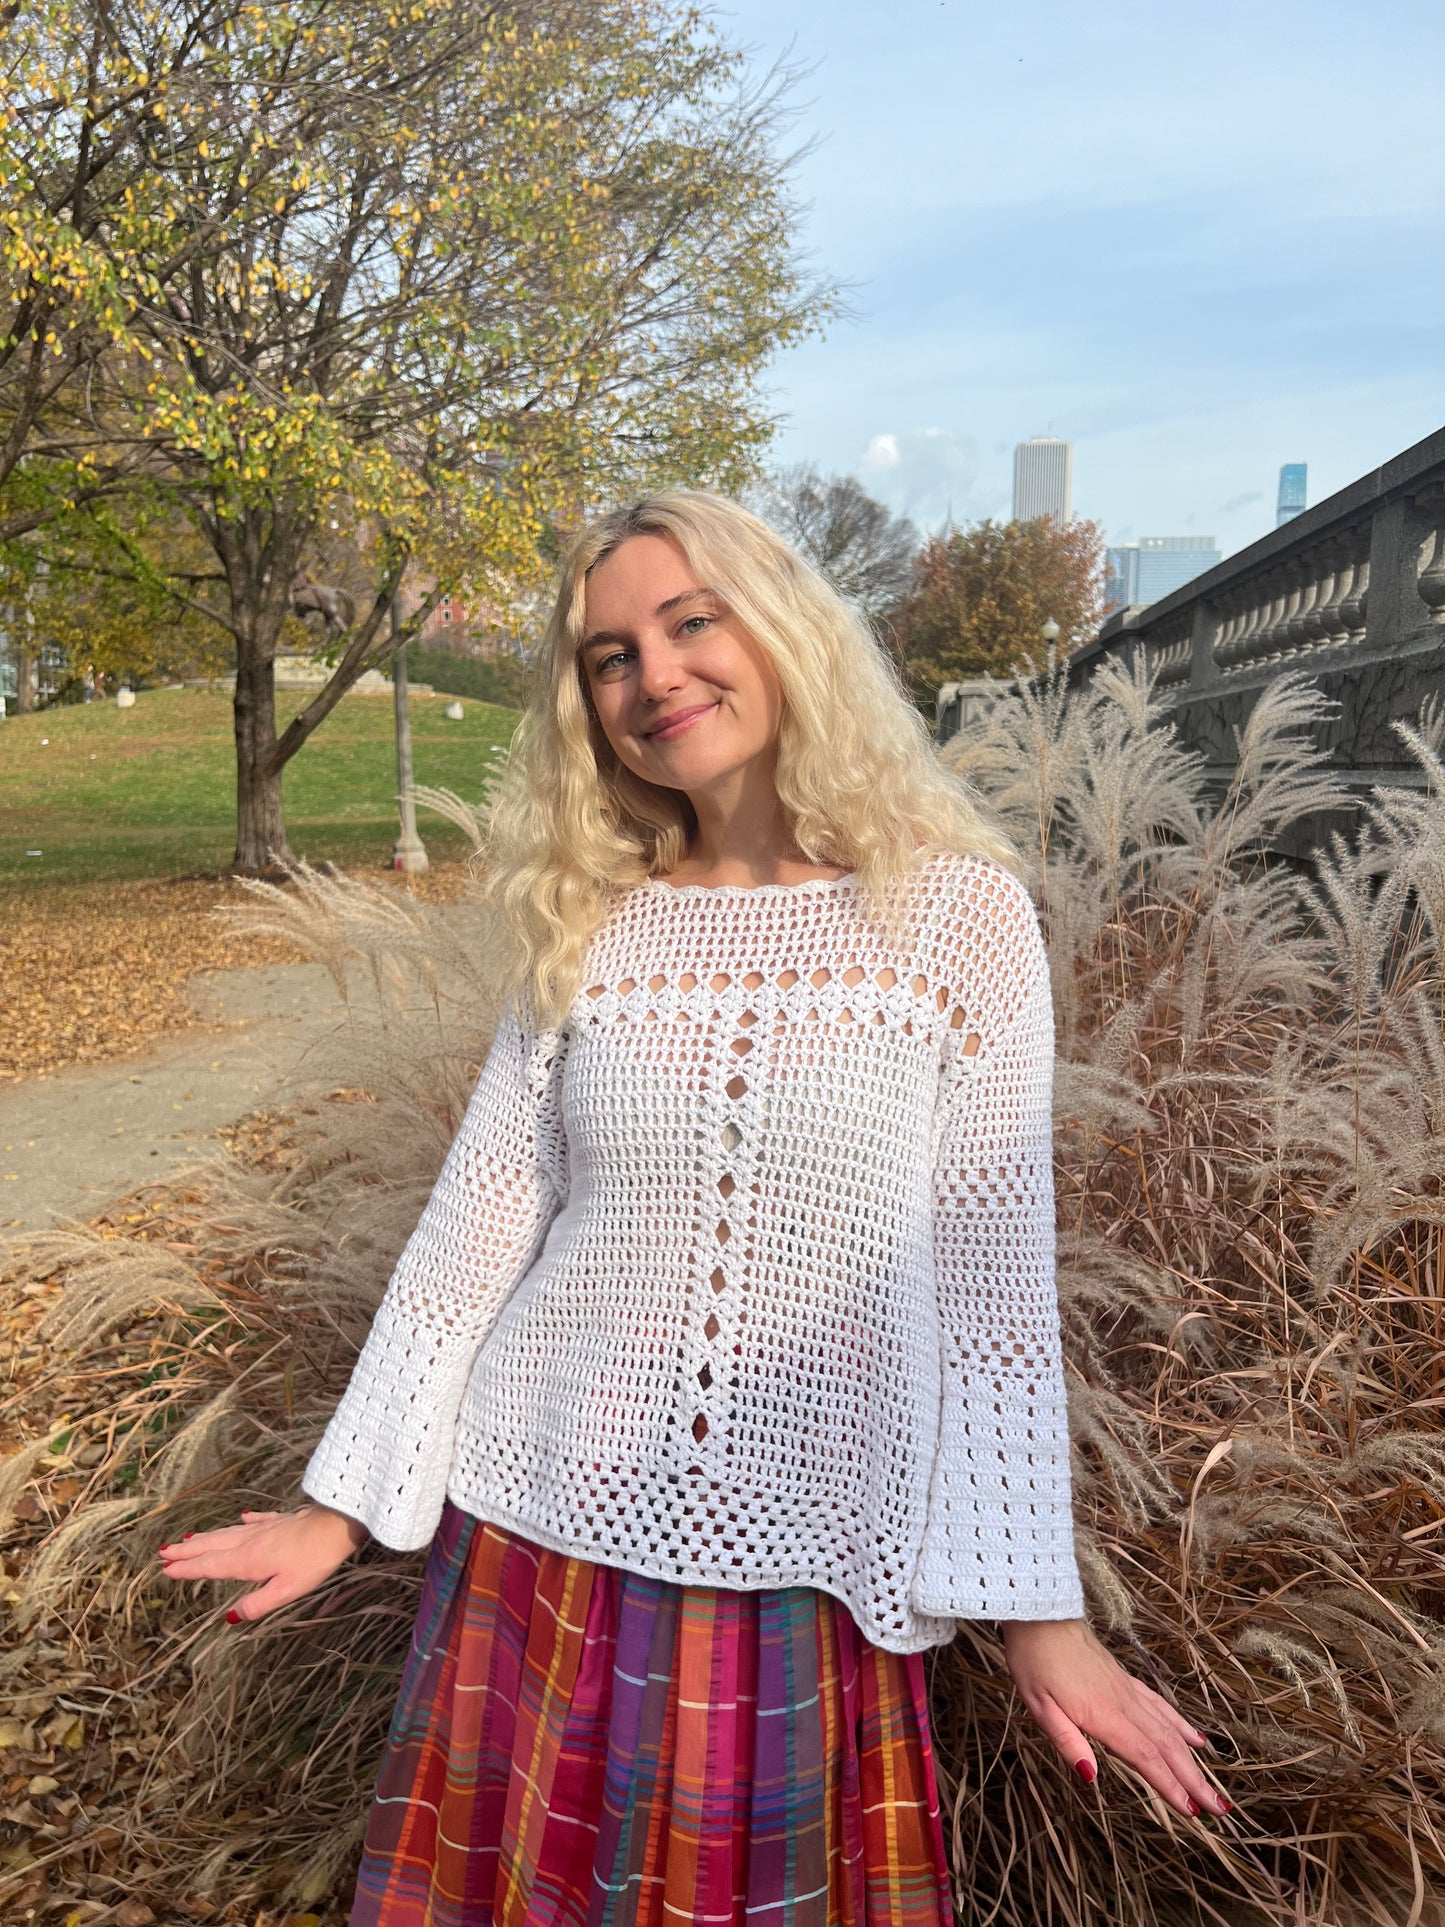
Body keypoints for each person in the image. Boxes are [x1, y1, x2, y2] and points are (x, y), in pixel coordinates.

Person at [158, 491, 1230, 1925]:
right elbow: (477, 1229)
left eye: (688, 622)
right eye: (608, 656)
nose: (652, 676)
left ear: (784, 630)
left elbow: (989, 1298)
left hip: (802, 1575)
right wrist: (336, 1510)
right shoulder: (588, 923)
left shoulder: (955, 916)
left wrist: (1044, 1627)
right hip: (538, 1545)